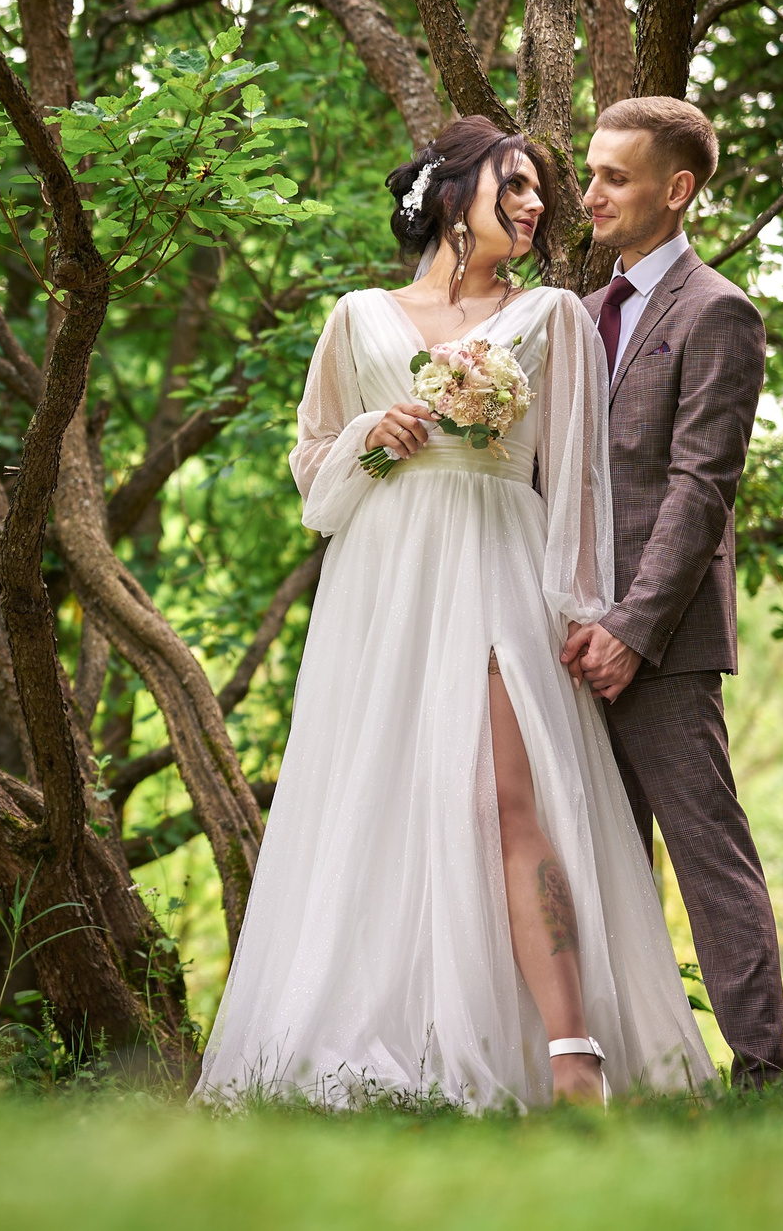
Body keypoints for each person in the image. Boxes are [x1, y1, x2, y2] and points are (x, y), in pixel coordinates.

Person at [194, 115, 713, 1112]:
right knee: (378, 797)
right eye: (513, 185)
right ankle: (397, 1038)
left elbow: (576, 481)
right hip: (381, 580)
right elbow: (312, 470)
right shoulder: (355, 317)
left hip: (492, 565)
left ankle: (573, 1054)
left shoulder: (552, 316)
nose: (532, 205)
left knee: (505, 798)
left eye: (540, 194)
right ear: (449, 193)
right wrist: (366, 436)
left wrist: (582, 609)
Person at [560, 96, 783, 1090]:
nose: (591, 191)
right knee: (592, 859)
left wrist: (632, 625)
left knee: (706, 854)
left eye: (615, 175)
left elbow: (702, 486)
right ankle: (624, 1065)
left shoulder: (716, 311)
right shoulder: (574, 311)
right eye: (591, 170)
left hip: (661, 643)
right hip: (562, 635)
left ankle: (759, 1074)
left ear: (676, 188)